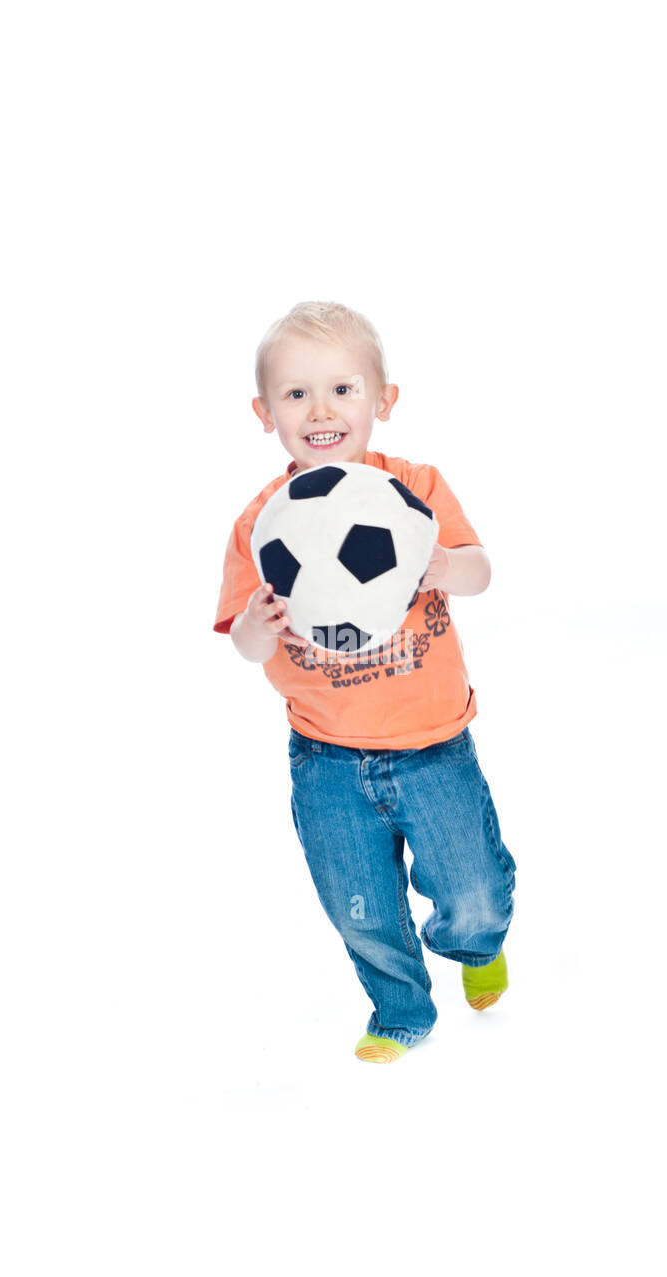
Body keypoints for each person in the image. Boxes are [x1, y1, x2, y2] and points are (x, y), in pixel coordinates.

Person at [213, 301, 516, 1063]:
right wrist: (258, 623)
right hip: (327, 759)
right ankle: (399, 1006)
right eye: (295, 394)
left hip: (435, 743)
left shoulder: (414, 488)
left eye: (343, 389)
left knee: (470, 885)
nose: (321, 410)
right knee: (359, 907)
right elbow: (245, 648)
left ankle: (475, 945)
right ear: (264, 412)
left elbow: (480, 570)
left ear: (384, 400)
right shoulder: (261, 524)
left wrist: (447, 564)